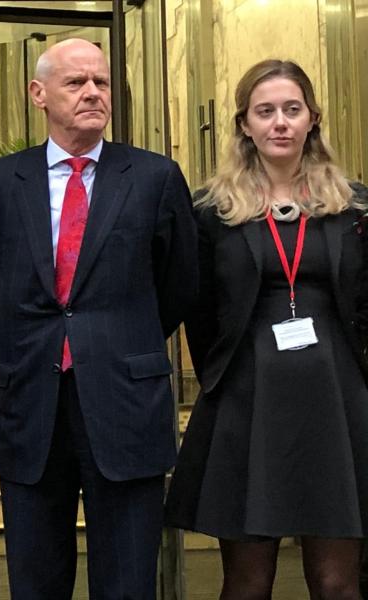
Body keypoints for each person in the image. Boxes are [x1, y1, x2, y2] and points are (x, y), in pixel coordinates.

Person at [0, 38, 197, 599]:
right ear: (38, 94)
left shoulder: (155, 177)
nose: (93, 92)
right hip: (29, 404)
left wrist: (111, 341)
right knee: (37, 579)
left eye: (102, 82)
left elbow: (179, 285)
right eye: (76, 82)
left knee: (127, 580)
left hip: (124, 401)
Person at [165, 59, 368, 599]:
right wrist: (222, 377)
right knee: (248, 583)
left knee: (337, 583)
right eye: (265, 111)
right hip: (246, 405)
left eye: (291, 110)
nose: (280, 122)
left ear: (312, 120)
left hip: (339, 405)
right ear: (245, 125)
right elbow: (199, 310)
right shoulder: (211, 211)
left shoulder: (354, 205)